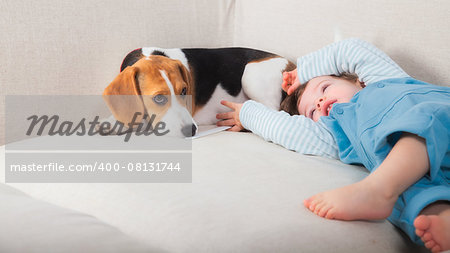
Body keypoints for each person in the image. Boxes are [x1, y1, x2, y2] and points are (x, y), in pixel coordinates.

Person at [216, 38, 450, 252]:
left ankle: (378, 190)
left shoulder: (383, 81)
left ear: (357, 80)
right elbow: (288, 131)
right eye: (311, 111)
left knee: (421, 119)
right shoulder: (334, 134)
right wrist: (247, 113)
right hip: (430, 169)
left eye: (325, 87)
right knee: (410, 193)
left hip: (440, 119)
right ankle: (442, 216)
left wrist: (304, 71)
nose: (319, 102)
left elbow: (353, 50)